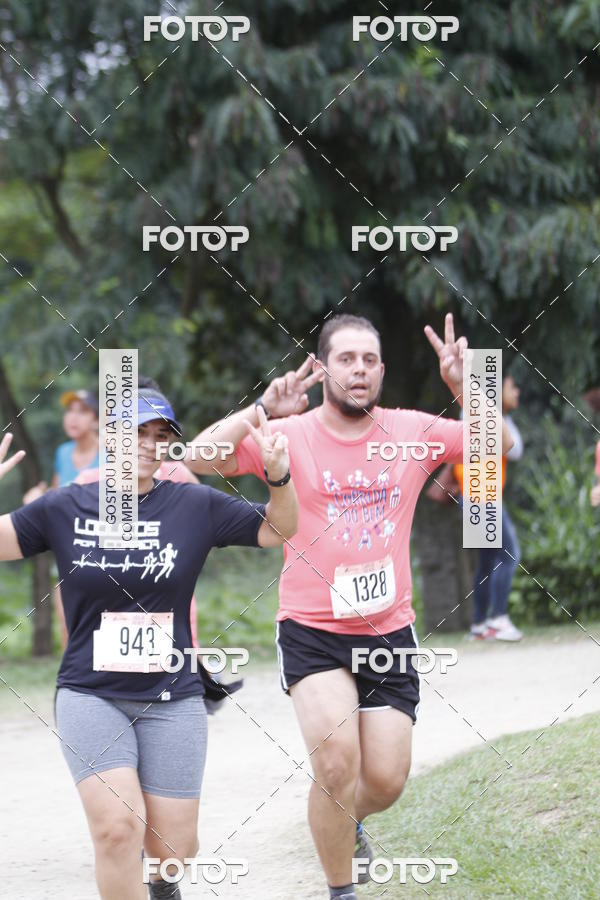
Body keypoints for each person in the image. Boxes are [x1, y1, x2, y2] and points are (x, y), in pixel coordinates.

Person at [187, 312, 515, 900]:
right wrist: (259, 411)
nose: (358, 370)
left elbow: (500, 446)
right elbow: (196, 459)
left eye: (369, 360)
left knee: (385, 781)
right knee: (336, 763)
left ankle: (344, 819)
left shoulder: (412, 431)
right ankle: (342, 890)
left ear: (382, 371)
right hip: (312, 629)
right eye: (346, 359)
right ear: (325, 369)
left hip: (389, 633)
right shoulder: (289, 435)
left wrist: (469, 389)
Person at [0, 387, 297, 900]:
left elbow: (279, 529)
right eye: (135, 431)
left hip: (172, 696)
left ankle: (164, 885)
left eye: (160, 435)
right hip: (90, 694)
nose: (147, 443)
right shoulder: (66, 506)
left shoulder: (194, 504)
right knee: (118, 829)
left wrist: (278, 478)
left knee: (174, 849)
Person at [23, 389, 100, 648]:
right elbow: (57, 498)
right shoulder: (63, 453)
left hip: (108, 552)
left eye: (83, 411)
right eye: (70, 410)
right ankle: (75, 686)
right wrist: (38, 498)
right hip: (70, 549)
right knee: (68, 626)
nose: (73, 417)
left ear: (98, 420)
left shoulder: (114, 453)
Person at [457, 374, 523, 641]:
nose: (517, 392)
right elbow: (513, 449)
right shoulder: (476, 413)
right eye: (512, 387)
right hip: (482, 497)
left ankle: (479, 625)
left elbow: (516, 451)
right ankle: (498, 619)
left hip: (477, 496)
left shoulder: (500, 417)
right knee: (509, 555)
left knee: (486, 563)